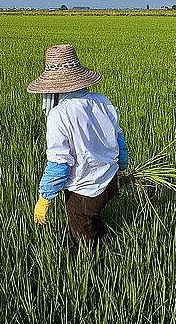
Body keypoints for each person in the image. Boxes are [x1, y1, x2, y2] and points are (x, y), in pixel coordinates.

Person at [27, 44, 128, 245]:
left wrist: (44, 198)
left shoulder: (59, 115)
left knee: (84, 238)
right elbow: (120, 141)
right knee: (94, 218)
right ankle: (106, 236)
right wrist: (122, 168)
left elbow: (59, 165)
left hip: (85, 192)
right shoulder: (102, 101)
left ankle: (95, 264)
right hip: (111, 182)